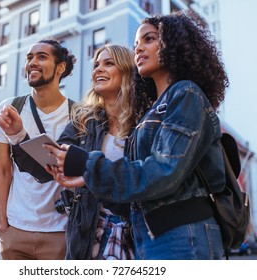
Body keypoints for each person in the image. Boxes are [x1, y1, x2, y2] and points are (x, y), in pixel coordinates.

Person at [45, 11, 229, 260]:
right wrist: (90, 181)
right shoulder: (152, 112)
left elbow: (164, 172)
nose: (139, 48)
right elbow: (138, 195)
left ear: (174, 43)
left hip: (183, 234)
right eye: (136, 44)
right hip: (150, 236)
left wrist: (87, 165)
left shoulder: (186, 94)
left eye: (149, 39)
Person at [0, 44, 155, 259]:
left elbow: (150, 178)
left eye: (109, 64)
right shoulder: (83, 121)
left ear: (128, 71)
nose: (98, 69)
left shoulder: (146, 121)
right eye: (96, 64)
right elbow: (48, 169)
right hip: (89, 233)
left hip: (135, 233)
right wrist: (18, 135)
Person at [0, 39, 76, 260]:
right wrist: (2, 225)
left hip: (59, 232)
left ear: (60, 67)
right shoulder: (9, 108)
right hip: (15, 229)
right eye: (29, 58)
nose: (32, 63)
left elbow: (68, 173)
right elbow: (2, 170)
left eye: (41, 57)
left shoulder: (78, 114)